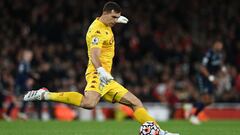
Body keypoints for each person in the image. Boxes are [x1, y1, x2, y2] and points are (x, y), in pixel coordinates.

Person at [23, 2, 179, 135]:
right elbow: (94, 54)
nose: (115, 21)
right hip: (98, 74)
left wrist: (117, 20)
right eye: (113, 17)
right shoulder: (96, 30)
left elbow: (109, 25)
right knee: (89, 104)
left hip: (107, 78)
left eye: (117, 18)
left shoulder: (106, 24)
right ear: (105, 13)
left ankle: (158, 132)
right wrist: (101, 71)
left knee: (136, 102)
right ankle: (45, 95)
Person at [189, 40, 226, 125]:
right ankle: (194, 116)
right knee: (205, 98)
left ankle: (194, 107)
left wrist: (223, 69)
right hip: (203, 78)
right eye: (219, 45)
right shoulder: (208, 54)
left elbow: (220, 64)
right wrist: (210, 77)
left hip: (210, 79)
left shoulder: (219, 55)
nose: (220, 47)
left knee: (210, 101)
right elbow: (202, 67)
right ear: (215, 45)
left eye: (221, 45)